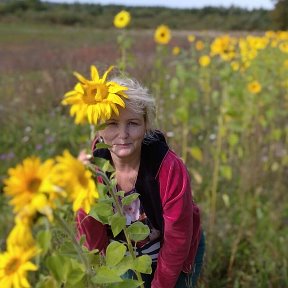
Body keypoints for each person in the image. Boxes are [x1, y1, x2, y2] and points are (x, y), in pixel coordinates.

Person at [76, 76, 205, 288]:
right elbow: (93, 240)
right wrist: (81, 186)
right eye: (112, 124)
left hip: (174, 255)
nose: (123, 134)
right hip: (125, 256)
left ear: (146, 125)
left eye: (133, 123)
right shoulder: (95, 167)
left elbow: (178, 239)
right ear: (98, 129)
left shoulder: (168, 167)